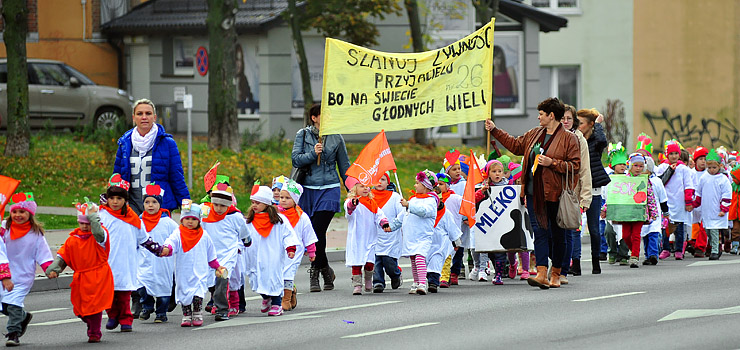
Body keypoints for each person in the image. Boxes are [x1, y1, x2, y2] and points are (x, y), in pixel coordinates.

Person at [486, 97, 581, 289]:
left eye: (541, 114)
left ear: (552, 115)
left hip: (556, 194)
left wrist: (552, 163)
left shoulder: (569, 138)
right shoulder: (535, 134)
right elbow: (515, 145)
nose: (538, 118)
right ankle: (541, 273)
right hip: (533, 193)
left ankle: (556, 274)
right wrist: (495, 130)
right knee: (539, 233)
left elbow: (575, 165)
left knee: (558, 234)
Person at [291, 104, 350, 293]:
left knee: (317, 230)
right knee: (314, 234)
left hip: (330, 188)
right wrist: (312, 153)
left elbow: (345, 166)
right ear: (314, 118)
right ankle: (326, 270)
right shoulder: (303, 135)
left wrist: (352, 189)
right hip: (308, 189)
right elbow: (296, 160)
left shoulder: (337, 137)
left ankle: (315, 270)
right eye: (322, 116)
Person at [99, 174, 164, 332]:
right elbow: (95, 237)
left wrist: (158, 249)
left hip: (126, 263)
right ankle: (113, 315)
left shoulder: (133, 218)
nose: (115, 202)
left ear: (125, 201)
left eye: (119, 199)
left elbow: (144, 238)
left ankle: (126, 319)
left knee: (123, 294)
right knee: (109, 294)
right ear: (107, 199)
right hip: (106, 262)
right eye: (112, 198)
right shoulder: (102, 216)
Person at [46, 202, 114, 343]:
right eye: (82, 223)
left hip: (98, 276)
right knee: (80, 309)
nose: (84, 226)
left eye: (88, 223)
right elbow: (63, 257)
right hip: (81, 278)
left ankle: (94, 332)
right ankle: (90, 323)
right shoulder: (72, 239)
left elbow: (97, 231)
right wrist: (54, 269)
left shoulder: (100, 237)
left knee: (95, 308)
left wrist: (93, 215)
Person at [113, 98, 190, 215]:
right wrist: (112, 199)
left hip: (159, 206)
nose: (144, 117)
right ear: (134, 118)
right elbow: (117, 177)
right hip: (131, 207)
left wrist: (186, 206)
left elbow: (177, 177)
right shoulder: (125, 143)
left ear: (154, 117)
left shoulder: (167, 143)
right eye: (139, 113)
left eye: (148, 113)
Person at [160, 201, 227, 327]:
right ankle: (186, 314)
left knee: (198, 293)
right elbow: (171, 242)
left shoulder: (204, 235)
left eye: (193, 219)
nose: (190, 221)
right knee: (184, 294)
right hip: (183, 272)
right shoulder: (178, 233)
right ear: (182, 220)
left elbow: (211, 253)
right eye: (187, 218)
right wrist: (167, 248)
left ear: (198, 221)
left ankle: (197, 312)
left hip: (199, 271)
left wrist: (217, 266)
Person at [1, 193, 52, 346]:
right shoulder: (4, 228)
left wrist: (49, 269)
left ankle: (13, 333)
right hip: (4, 272)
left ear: (30, 214)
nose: (18, 215)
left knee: (14, 303)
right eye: (15, 211)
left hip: (23, 275)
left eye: (22, 212)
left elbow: (43, 254)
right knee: (4, 305)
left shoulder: (35, 234)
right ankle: (23, 317)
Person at [244, 187, 300, 316]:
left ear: (266, 204)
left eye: (258, 203)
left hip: (272, 255)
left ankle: (276, 303)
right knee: (256, 279)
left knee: (272, 278)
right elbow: (243, 235)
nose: (254, 205)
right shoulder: (249, 221)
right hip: (254, 256)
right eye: (253, 202)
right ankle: (266, 297)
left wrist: (290, 248)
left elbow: (288, 234)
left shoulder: (278, 221)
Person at [201, 180, 250, 321]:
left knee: (223, 280)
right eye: (216, 204)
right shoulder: (206, 212)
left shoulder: (234, 216)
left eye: (223, 205)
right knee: (211, 282)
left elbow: (244, 231)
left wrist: (247, 241)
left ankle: (223, 309)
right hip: (211, 254)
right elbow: (195, 219)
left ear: (229, 204)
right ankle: (217, 302)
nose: (218, 208)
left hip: (228, 254)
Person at [603, 153, 658, 268]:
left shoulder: (645, 180)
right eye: (636, 166)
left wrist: (653, 212)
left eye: (641, 166)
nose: (638, 168)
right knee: (626, 235)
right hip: (626, 212)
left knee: (636, 235)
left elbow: (650, 196)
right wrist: (605, 209)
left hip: (639, 212)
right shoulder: (623, 179)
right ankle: (634, 250)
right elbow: (614, 195)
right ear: (631, 166)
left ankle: (634, 257)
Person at [137, 183, 178, 323]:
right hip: (144, 260)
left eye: (154, 202)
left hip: (163, 262)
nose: (150, 205)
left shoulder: (167, 222)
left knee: (163, 288)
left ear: (160, 203)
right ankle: (147, 306)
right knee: (141, 283)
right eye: (147, 202)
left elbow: (178, 235)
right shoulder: (139, 222)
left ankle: (161, 312)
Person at [575, 108, 609, 274]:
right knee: (575, 228)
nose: (578, 126)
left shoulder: (595, 140)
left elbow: (603, 141)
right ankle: (576, 263)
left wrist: (598, 126)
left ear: (589, 125)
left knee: (594, 229)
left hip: (594, 189)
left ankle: (596, 260)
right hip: (576, 189)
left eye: (580, 123)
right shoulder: (574, 139)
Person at [561, 105, 592, 281]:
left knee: (573, 229)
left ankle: (574, 262)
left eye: (569, 119)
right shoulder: (552, 136)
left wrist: (585, 197)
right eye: (563, 118)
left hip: (573, 192)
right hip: (556, 192)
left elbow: (584, 170)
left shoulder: (579, 139)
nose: (565, 122)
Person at [344, 177, 391, 295]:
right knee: (357, 261)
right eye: (361, 186)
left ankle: (368, 279)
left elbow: (379, 214)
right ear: (355, 189)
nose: (365, 188)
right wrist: (353, 204)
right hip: (356, 238)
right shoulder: (351, 201)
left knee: (370, 261)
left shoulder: (372, 203)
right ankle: (357, 285)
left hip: (369, 237)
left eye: (367, 186)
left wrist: (383, 223)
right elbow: (348, 210)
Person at [278, 179, 317, 310]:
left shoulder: (302, 217)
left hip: (295, 252)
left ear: (295, 200)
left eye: (287, 197)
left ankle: (286, 299)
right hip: (278, 250)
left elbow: (309, 235)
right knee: (278, 274)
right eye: (281, 197)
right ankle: (291, 291)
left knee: (288, 274)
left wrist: (311, 251)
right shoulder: (275, 214)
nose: (283, 200)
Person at [475, 160, 514, 285]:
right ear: (488, 173)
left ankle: (498, 275)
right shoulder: (483, 186)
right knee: (490, 250)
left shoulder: (508, 186)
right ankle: (493, 268)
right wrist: (482, 191)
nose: (497, 174)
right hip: (488, 224)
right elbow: (474, 200)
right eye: (494, 171)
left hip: (502, 224)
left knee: (500, 251)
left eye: (500, 171)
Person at [401, 170, 439, 295]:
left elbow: (424, 211)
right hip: (412, 236)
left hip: (423, 235)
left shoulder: (430, 200)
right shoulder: (414, 199)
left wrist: (409, 206)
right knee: (413, 259)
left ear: (426, 186)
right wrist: (392, 226)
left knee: (419, 257)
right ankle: (416, 282)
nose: (415, 185)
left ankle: (422, 283)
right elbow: (403, 216)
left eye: (417, 183)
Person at [656, 140, 695, 260]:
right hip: (666, 201)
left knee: (679, 226)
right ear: (667, 155)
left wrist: (688, 202)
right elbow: (659, 183)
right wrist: (669, 170)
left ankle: (679, 250)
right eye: (671, 154)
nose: (674, 156)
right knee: (666, 226)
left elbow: (688, 185)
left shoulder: (684, 169)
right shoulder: (662, 167)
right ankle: (666, 248)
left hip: (679, 201)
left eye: (676, 153)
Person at [694, 149, 732, 260]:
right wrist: (695, 204)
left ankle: (715, 250)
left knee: (714, 231)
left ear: (719, 166)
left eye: (714, 168)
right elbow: (699, 192)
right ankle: (716, 248)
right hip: (706, 210)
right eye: (709, 168)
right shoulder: (704, 177)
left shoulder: (723, 179)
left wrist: (724, 208)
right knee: (708, 231)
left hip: (717, 211)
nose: (711, 170)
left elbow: (726, 195)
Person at [372, 173, 405, 293]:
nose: (379, 182)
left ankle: (395, 274)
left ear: (388, 182)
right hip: (375, 235)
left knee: (388, 261)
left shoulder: (395, 197)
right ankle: (378, 282)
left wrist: (396, 225)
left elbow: (402, 213)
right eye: (377, 179)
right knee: (376, 261)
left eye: (383, 179)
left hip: (390, 235)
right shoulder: (369, 197)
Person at [641, 156, 669, 265]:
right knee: (645, 235)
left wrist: (665, 212)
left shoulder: (656, 181)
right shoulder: (638, 181)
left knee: (653, 233)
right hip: (643, 213)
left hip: (654, 213)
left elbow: (663, 198)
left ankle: (653, 254)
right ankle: (648, 256)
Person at [690, 147, 709, 257]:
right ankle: (691, 243)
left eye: (705, 159)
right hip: (692, 203)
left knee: (704, 226)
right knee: (691, 225)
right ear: (695, 160)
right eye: (701, 158)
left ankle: (700, 247)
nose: (703, 161)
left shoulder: (708, 173)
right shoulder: (691, 173)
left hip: (705, 204)